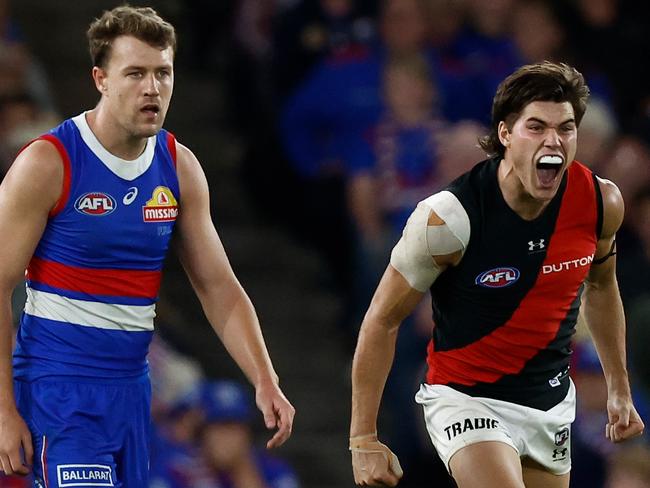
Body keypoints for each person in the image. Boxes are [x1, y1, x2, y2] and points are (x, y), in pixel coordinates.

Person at [0, 5, 294, 485]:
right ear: (101, 79)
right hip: (59, 391)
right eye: (135, 73)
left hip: (134, 394)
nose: (152, 88)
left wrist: (265, 379)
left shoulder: (179, 167)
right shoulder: (49, 163)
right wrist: (3, 409)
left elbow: (218, 287)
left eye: (163, 73)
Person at [349, 61, 645, 487]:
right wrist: (363, 438)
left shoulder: (601, 202)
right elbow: (382, 318)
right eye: (536, 127)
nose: (554, 141)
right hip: (466, 399)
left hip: (549, 402)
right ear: (505, 134)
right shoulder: (449, 218)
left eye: (565, 128)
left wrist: (619, 384)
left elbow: (601, 287)